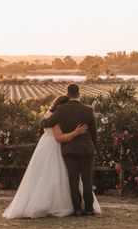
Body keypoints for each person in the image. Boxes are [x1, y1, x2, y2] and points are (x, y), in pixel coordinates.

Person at [2, 93, 101, 219]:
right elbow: (59, 138)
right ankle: (69, 206)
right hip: (55, 148)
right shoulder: (57, 118)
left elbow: (43, 123)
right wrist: (76, 132)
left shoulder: (52, 117)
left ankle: (78, 208)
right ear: (61, 107)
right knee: (58, 177)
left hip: (48, 148)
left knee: (61, 178)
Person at [41, 83, 98, 216]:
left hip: (69, 150)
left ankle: (77, 209)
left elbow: (45, 123)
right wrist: (92, 147)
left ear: (67, 94)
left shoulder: (61, 110)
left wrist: (45, 123)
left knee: (73, 180)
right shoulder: (88, 110)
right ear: (79, 94)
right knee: (87, 180)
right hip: (86, 149)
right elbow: (94, 133)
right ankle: (89, 209)